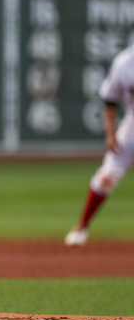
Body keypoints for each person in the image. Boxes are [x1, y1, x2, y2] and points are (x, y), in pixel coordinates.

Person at [65, 45, 134, 246]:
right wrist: (111, 134)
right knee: (106, 176)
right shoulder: (124, 63)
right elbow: (110, 100)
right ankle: (81, 227)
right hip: (132, 125)